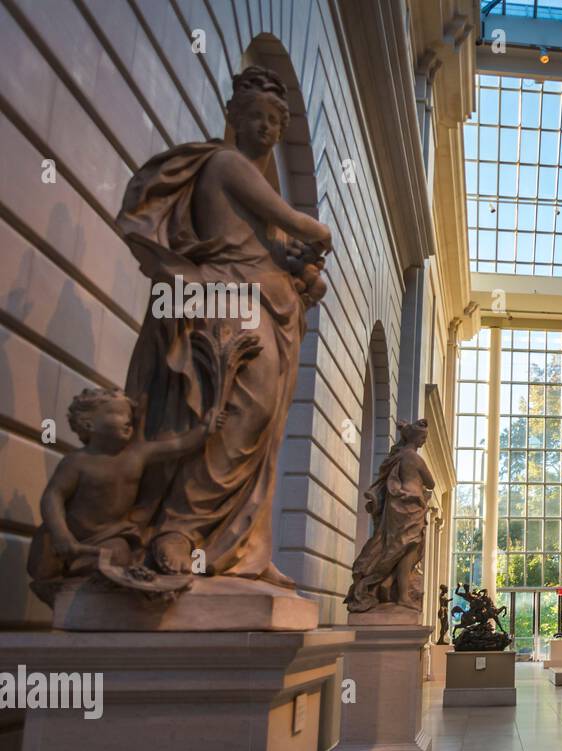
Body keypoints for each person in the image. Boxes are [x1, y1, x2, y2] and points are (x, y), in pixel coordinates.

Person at [116, 65, 331, 587]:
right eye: (254, 117)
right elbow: (307, 226)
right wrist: (312, 237)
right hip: (229, 300)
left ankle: (241, 549)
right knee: (238, 413)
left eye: (273, 121)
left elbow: (278, 247)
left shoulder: (254, 183)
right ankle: (180, 530)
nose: (264, 128)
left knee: (261, 432)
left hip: (267, 304)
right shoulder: (228, 165)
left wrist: (300, 267)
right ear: (234, 118)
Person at [27, 388, 224, 605]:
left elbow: (179, 446)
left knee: (119, 555)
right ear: (88, 423)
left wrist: (205, 428)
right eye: (118, 414)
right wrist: (61, 534)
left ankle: (87, 577)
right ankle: (58, 582)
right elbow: (52, 496)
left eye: (129, 416)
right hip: (71, 533)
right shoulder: (76, 462)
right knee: (43, 553)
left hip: (109, 536)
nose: (128, 421)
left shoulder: (137, 455)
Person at [345, 419, 435, 612]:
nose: (424, 441)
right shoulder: (415, 459)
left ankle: (388, 588)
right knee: (407, 549)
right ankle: (400, 595)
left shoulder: (397, 457)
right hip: (412, 507)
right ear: (417, 438)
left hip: (397, 506)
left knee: (394, 547)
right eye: (423, 437)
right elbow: (431, 482)